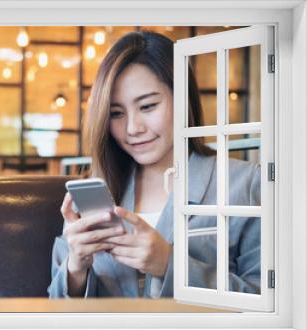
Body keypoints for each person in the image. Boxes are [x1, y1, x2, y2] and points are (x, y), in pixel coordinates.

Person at [47, 31, 261, 298]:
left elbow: (267, 301)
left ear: (182, 98)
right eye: (116, 113)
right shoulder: (92, 193)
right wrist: (75, 267)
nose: (133, 128)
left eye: (147, 106)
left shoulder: (245, 184)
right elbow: (55, 305)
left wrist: (169, 264)